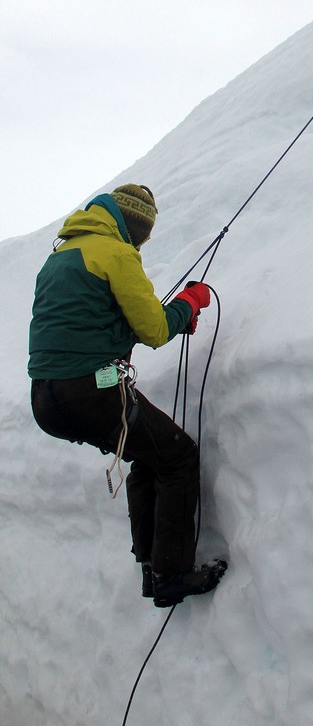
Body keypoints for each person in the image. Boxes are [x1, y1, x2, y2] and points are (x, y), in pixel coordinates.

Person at [28, 183, 226, 607]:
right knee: (177, 457)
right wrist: (190, 303)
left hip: (46, 400)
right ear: (136, 226)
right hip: (90, 392)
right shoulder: (116, 253)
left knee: (147, 455)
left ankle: (151, 568)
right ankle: (170, 574)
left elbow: (82, 325)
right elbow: (154, 329)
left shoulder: (59, 256)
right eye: (144, 233)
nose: (142, 241)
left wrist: (154, 322)